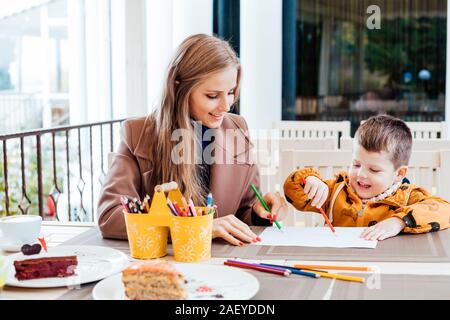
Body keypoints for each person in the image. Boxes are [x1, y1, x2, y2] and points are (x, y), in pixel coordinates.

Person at [98, 34, 288, 245]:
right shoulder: (138, 133)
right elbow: (110, 216)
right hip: (166, 264)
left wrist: (258, 212)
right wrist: (197, 227)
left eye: (231, 92)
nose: (226, 106)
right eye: (212, 96)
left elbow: (244, 209)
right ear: (180, 88)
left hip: (224, 264)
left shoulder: (237, 128)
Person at [284, 115, 450, 241]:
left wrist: (400, 221)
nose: (361, 174)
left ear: (398, 174)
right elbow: (293, 193)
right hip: (338, 263)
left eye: (374, 169)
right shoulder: (335, 190)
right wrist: (309, 179)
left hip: (386, 266)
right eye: (356, 165)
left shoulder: (407, 197)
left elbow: (445, 210)